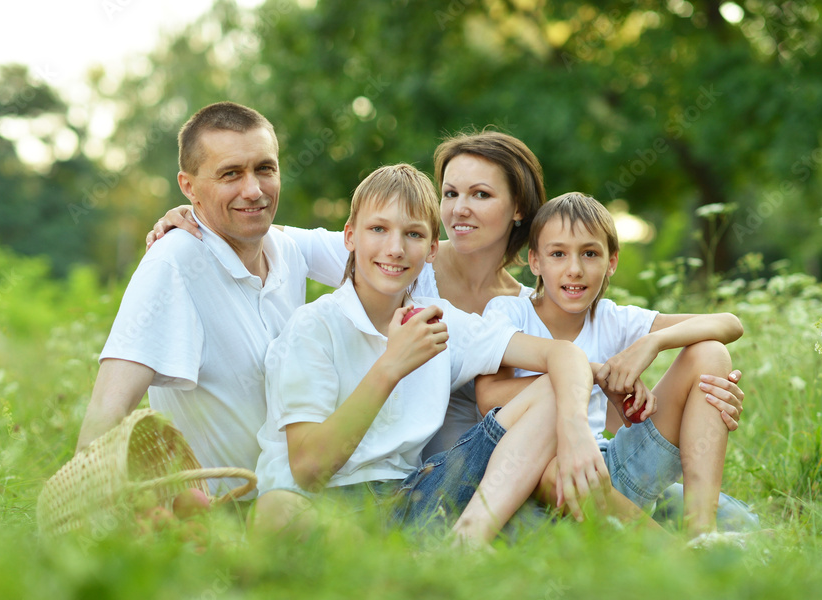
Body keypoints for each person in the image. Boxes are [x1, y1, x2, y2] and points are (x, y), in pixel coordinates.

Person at [147, 130, 751, 517]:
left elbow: (705, 329)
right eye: (451, 192)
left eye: (480, 194)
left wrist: (635, 367)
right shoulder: (403, 275)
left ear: (517, 211)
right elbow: (274, 235)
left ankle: (682, 527)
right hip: (463, 475)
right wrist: (194, 214)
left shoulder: (523, 300)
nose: (460, 208)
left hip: (509, 469)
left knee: (733, 520)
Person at [253, 163, 639, 544]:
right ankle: (393, 561)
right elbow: (308, 468)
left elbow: (564, 355)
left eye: (414, 234)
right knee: (277, 512)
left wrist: (576, 432)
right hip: (322, 502)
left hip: (413, 494)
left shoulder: (442, 321)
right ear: (350, 236)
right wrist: (391, 366)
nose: (395, 248)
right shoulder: (313, 327)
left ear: (433, 249)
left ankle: (464, 545)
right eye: (378, 229)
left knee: (552, 387)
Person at [476, 191, 753, 537]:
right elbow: (489, 397)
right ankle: (670, 550)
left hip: (610, 464)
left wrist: (652, 343)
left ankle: (702, 530)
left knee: (709, 352)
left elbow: (729, 323)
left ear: (611, 262)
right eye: (558, 253)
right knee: (554, 470)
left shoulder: (613, 318)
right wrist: (594, 377)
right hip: (538, 482)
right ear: (535, 261)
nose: (574, 269)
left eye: (590, 253)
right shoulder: (509, 312)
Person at [76, 101, 309, 497]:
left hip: (297, 505)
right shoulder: (174, 262)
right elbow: (107, 413)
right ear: (188, 187)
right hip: (217, 525)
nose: (253, 190)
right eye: (230, 174)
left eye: (264, 169)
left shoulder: (288, 251)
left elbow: (403, 250)